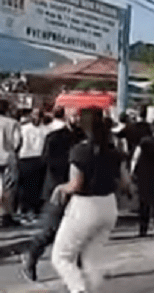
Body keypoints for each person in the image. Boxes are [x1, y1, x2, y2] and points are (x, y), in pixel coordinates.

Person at [51, 108, 131, 293]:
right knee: (91, 258)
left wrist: (60, 188)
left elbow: (76, 185)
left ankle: (78, 289)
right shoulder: (114, 151)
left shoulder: (80, 151)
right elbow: (125, 182)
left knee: (62, 257)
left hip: (85, 207)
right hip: (109, 206)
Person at [20, 109, 84, 283]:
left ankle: (77, 270)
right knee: (51, 229)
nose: (77, 118)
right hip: (58, 188)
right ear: (67, 116)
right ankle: (31, 255)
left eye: (79, 115)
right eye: (74, 115)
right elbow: (48, 162)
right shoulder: (55, 137)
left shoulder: (83, 136)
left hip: (79, 189)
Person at [18, 108, 50, 221]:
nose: (36, 118)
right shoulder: (46, 130)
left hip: (31, 159)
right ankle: (29, 210)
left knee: (30, 186)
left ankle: (27, 210)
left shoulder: (24, 128)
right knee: (32, 186)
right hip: (30, 158)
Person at [0, 99, 22, 227]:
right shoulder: (13, 123)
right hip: (7, 158)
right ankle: (5, 215)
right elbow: (16, 142)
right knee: (8, 188)